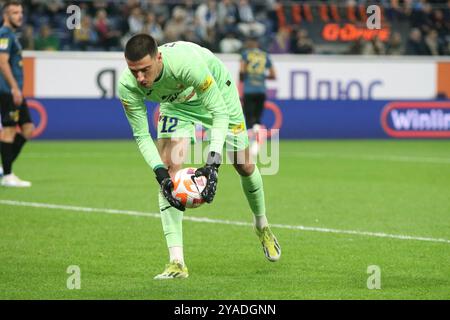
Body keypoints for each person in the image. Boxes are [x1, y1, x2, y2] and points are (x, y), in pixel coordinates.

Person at [118, 34, 281, 279]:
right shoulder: (127, 86)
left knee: (244, 165)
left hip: (217, 94)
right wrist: (159, 173)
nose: (140, 78)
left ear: (158, 58)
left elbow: (219, 113)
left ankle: (262, 225)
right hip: (177, 107)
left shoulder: (186, 64)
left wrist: (212, 163)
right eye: (134, 71)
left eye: (145, 70)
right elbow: (141, 135)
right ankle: (176, 262)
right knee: (170, 171)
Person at [0, 0, 33, 187]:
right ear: (6, 15)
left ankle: (5, 168)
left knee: (28, 128)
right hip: (7, 91)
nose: (19, 15)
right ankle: (7, 175)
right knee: (9, 130)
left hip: (15, 91)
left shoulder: (12, 35)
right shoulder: (4, 34)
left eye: (20, 12)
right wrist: (13, 87)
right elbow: (2, 62)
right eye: (14, 12)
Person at [240, 36, 276, 157]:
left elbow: (241, 71)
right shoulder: (265, 56)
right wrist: (261, 77)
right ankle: (256, 144)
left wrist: (244, 82)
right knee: (257, 118)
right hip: (261, 90)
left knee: (249, 118)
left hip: (249, 90)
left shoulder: (245, 55)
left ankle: (251, 144)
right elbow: (273, 74)